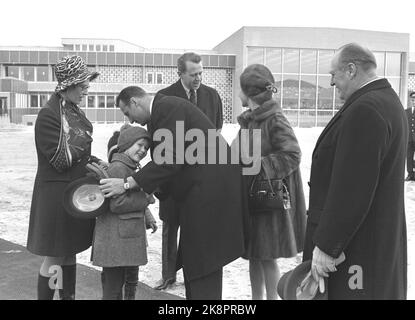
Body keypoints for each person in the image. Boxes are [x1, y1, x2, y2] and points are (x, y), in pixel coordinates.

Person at [99, 86, 248, 300]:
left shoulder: (167, 108)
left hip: (209, 192)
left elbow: (169, 160)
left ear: (134, 102)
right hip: (201, 191)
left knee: (203, 261)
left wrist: (127, 184)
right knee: (197, 259)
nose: (130, 120)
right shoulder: (163, 110)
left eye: (127, 113)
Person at [303, 43, 408, 299]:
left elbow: (353, 189)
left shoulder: (366, 109)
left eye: (333, 75)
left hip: (358, 249)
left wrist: (327, 247)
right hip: (376, 241)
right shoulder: (387, 101)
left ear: (351, 69)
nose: (331, 83)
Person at [27, 55, 101, 300]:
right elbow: (62, 159)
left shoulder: (71, 110)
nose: (85, 91)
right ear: (68, 86)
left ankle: (67, 298)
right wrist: (86, 139)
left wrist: (98, 162)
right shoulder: (49, 114)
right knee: (55, 256)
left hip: (72, 195)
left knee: (69, 253)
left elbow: (79, 152)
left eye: (86, 85)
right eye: (82, 86)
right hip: (56, 197)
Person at [235, 64, 306, 300]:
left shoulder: (275, 119)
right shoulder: (249, 121)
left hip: (271, 201)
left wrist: (260, 166)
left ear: (249, 92)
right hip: (255, 201)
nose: (238, 93)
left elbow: (293, 154)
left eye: (240, 88)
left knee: (267, 259)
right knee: (255, 257)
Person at [154, 52, 224, 290]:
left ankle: (193, 273)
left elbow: (216, 132)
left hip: (201, 178)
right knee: (170, 226)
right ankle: (168, 274)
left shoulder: (212, 96)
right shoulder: (164, 97)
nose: (198, 78)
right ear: (180, 73)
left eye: (201, 73)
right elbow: (160, 139)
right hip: (173, 176)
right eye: (193, 74)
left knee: (197, 228)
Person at [92, 125, 157, 300]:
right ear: (127, 144)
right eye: (140, 145)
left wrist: (147, 216)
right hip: (116, 241)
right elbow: (117, 204)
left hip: (125, 239)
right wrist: (146, 197)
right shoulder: (119, 168)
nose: (143, 150)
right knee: (113, 288)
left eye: (146, 148)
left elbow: (131, 197)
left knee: (128, 281)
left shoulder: (130, 166)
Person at [405, 91, 415, 181]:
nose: (414, 101)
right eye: (412, 100)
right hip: (410, 139)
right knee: (409, 156)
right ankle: (410, 174)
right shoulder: (406, 111)